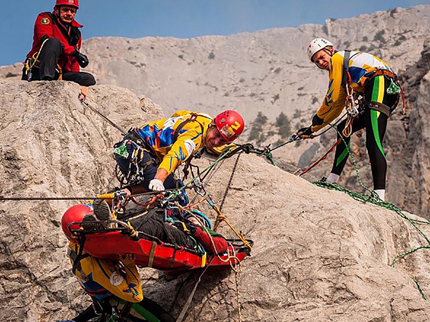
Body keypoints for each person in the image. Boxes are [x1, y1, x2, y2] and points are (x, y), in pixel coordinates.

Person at [297, 38, 401, 201]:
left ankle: (379, 196)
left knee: (373, 141)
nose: (321, 62)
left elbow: (332, 99)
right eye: (317, 61)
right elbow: (337, 105)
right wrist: (313, 128)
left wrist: (316, 121)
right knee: (343, 128)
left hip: (379, 83)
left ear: (330, 50)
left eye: (322, 57)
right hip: (381, 88)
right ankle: (332, 179)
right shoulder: (342, 64)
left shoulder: (338, 59)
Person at [60, 204, 175, 322]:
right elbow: (135, 295)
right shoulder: (94, 265)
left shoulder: (76, 244)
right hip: (117, 300)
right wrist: (129, 265)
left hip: (102, 291)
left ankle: (109, 225)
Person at [113, 109, 245, 196]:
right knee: (172, 189)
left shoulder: (204, 118)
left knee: (170, 184)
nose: (216, 142)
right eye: (216, 135)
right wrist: (159, 179)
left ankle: (117, 196)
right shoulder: (193, 138)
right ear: (213, 125)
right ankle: (114, 198)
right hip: (135, 153)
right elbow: (174, 155)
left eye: (222, 141)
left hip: (129, 147)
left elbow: (178, 114)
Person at [22, 0, 96, 86]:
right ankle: (47, 82)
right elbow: (46, 40)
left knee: (88, 79)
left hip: (59, 74)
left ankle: (56, 82)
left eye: (72, 11)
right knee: (53, 42)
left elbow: (73, 61)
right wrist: (74, 52)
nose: (69, 13)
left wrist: (75, 76)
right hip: (38, 69)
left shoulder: (76, 33)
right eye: (65, 10)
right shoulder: (45, 18)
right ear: (56, 10)